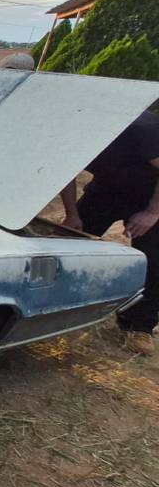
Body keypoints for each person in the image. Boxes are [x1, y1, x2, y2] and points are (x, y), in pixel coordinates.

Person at [61, 111, 159, 356]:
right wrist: (72, 215)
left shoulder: (144, 129)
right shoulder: (68, 132)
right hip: (105, 190)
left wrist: (152, 212)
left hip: (151, 197)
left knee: (154, 260)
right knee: (68, 241)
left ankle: (139, 326)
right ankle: (62, 306)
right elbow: (64, 174)